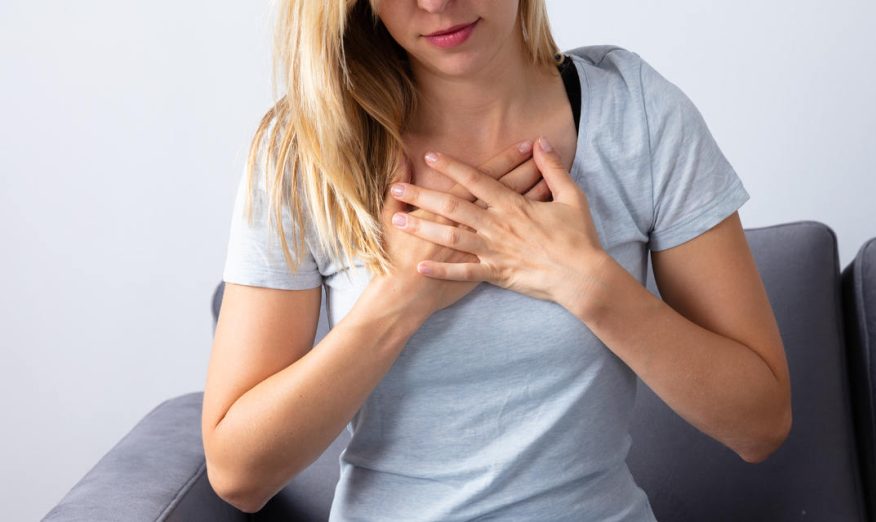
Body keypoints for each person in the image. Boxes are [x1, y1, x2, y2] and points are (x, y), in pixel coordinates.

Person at [203, 0, 793, 520]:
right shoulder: (304, 150)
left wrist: (587, 282)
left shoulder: (634, 112)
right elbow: (237, 476)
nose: (436, 3)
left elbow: (761, 424)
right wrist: (400, 299)